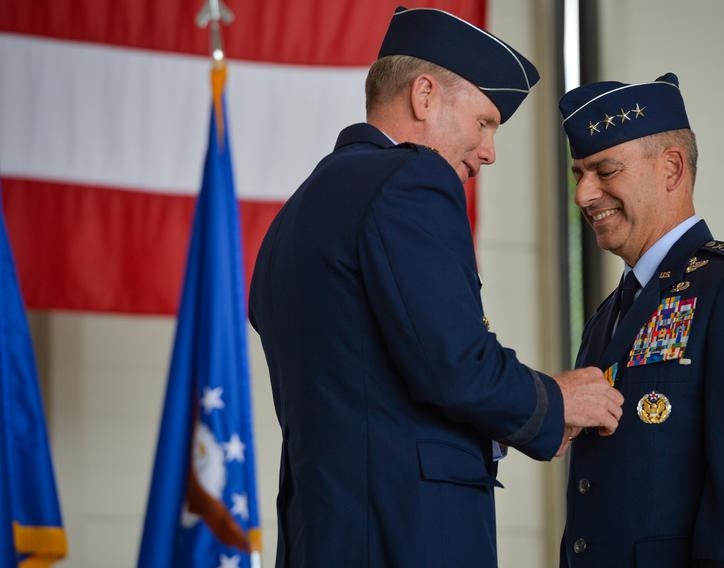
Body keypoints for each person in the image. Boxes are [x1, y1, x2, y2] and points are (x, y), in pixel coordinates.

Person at [248, 7, 623, 567]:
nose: (489, 151)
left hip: (323, 535)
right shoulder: (411, 180)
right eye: (485, 122)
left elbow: (372, 390)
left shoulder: (297, 212)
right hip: (407, 536)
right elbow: (453, 364)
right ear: (424, 96)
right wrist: (555, 400)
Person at [558, 73, 724, 567]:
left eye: (604, 171)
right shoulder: (611, 311)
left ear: (671, 168)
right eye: (578, 174)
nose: (584, 195)